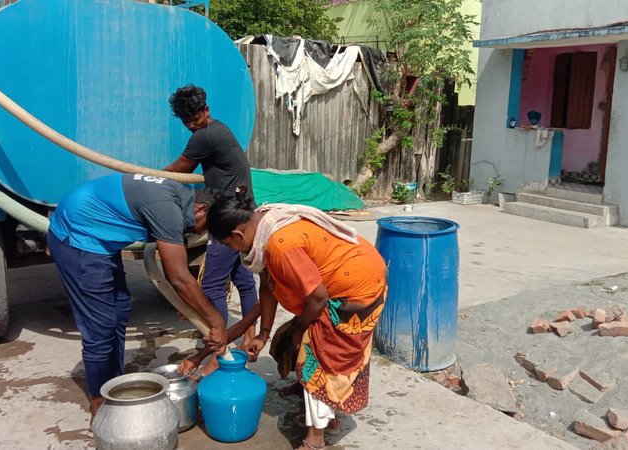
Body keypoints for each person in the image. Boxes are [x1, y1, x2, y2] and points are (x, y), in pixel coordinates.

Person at [204, 188, 387, 450]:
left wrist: (301, 328)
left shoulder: (280, 244)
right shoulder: (264, 224)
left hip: (355, 290)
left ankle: (316, 438)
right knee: (285, 341)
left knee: (318, 361)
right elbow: (268, 284)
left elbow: (317, 298)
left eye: (227, 244)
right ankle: (319, 408)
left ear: (238, 234)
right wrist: (263, 334)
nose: (229, 249)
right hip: (343, 279)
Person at [47, 173, 227, 422]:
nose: (201, 232)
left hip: (100, 238)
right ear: (201, 208)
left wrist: (190, 305)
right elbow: (178, 277)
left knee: (120, 309)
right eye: (206, 226)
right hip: (78, 237)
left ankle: (113, 383)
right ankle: (99, 406)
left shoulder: (180, 197)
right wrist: (215, 321)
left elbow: (178, 277)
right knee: (100, 327)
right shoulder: (167, 209)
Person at [162, 84, 258, 373]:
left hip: (228, 220)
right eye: (187, 122)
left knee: (213, 283)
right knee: (243, 280)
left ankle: (218, 352)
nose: (193, 125)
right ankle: (248, 338)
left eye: (196, 118)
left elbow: (181, 168)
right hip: (243, 212)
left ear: (207, 111)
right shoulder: (217, 130)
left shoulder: (206, 135)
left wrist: (146, 178)